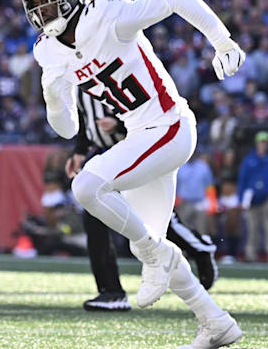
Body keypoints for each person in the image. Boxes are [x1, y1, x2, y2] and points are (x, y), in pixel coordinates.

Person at [25, 0, 244, 349]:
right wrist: (53, 96)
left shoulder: (108, 16)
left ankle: (152, 252)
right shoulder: (50, 52)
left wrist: (221, 39)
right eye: (35, 4)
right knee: (153, 246)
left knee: (88, 187)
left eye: (47, 0)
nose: (41, 12)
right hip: (142, 136)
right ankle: (215, 323)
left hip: (170, 125)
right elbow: (68, 130)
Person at [68, 88, 218, 313]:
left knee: (154, 217)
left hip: (136, 145)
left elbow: (144, 109)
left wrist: (117, 125)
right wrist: (80, 150)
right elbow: (83, 116)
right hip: (104, 150)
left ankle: (198, 250)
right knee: (97, 212)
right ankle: (111, 290)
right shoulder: (77, 75)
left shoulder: (108, 67)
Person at [238, 131, 268, 263]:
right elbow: (242, 180)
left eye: (265, 142)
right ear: (257, 143)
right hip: (252, 198)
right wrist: (241, 199)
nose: (262, 145)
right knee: (252, 228)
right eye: (261, 142)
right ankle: (250, 254)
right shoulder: (248, 160)